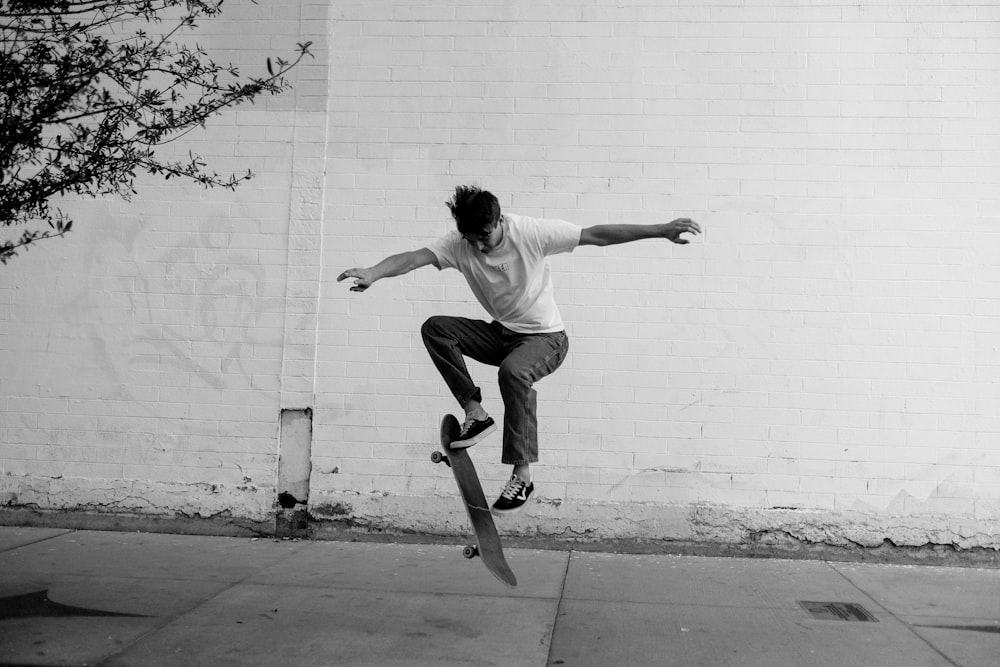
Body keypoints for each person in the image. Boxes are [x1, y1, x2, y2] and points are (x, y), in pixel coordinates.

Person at [338, 185, 701, 513]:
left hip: (546, 339)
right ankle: (475, 414)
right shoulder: (459, 243)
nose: (478, 247)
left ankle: (522, 475)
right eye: (471, 240)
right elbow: (415, 257)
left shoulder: (530, 233)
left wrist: (660, 230)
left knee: (513, 372)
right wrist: (374, 272)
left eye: (484, 238)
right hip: (502, 335)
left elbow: (597, 235)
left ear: (498, 221)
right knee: (436, 329)